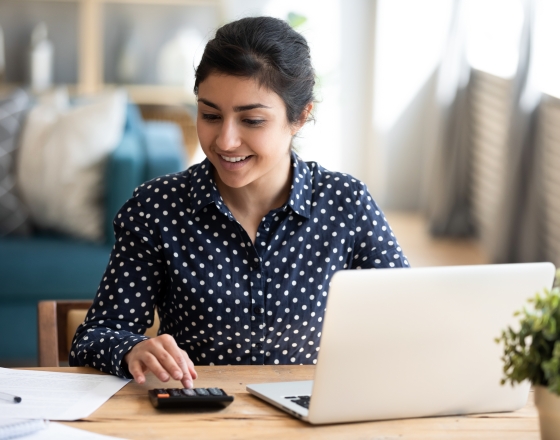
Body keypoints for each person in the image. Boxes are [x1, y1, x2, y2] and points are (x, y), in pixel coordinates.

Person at [70, 16, 409, 389]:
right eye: (210, 115)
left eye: (252, 120)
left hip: (312, 414)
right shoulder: (157, 207)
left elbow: (409, 317)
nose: (226, 141)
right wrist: (132, 349)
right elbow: (93, 338)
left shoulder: (347, 203)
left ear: (300, 117)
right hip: (199, 415)